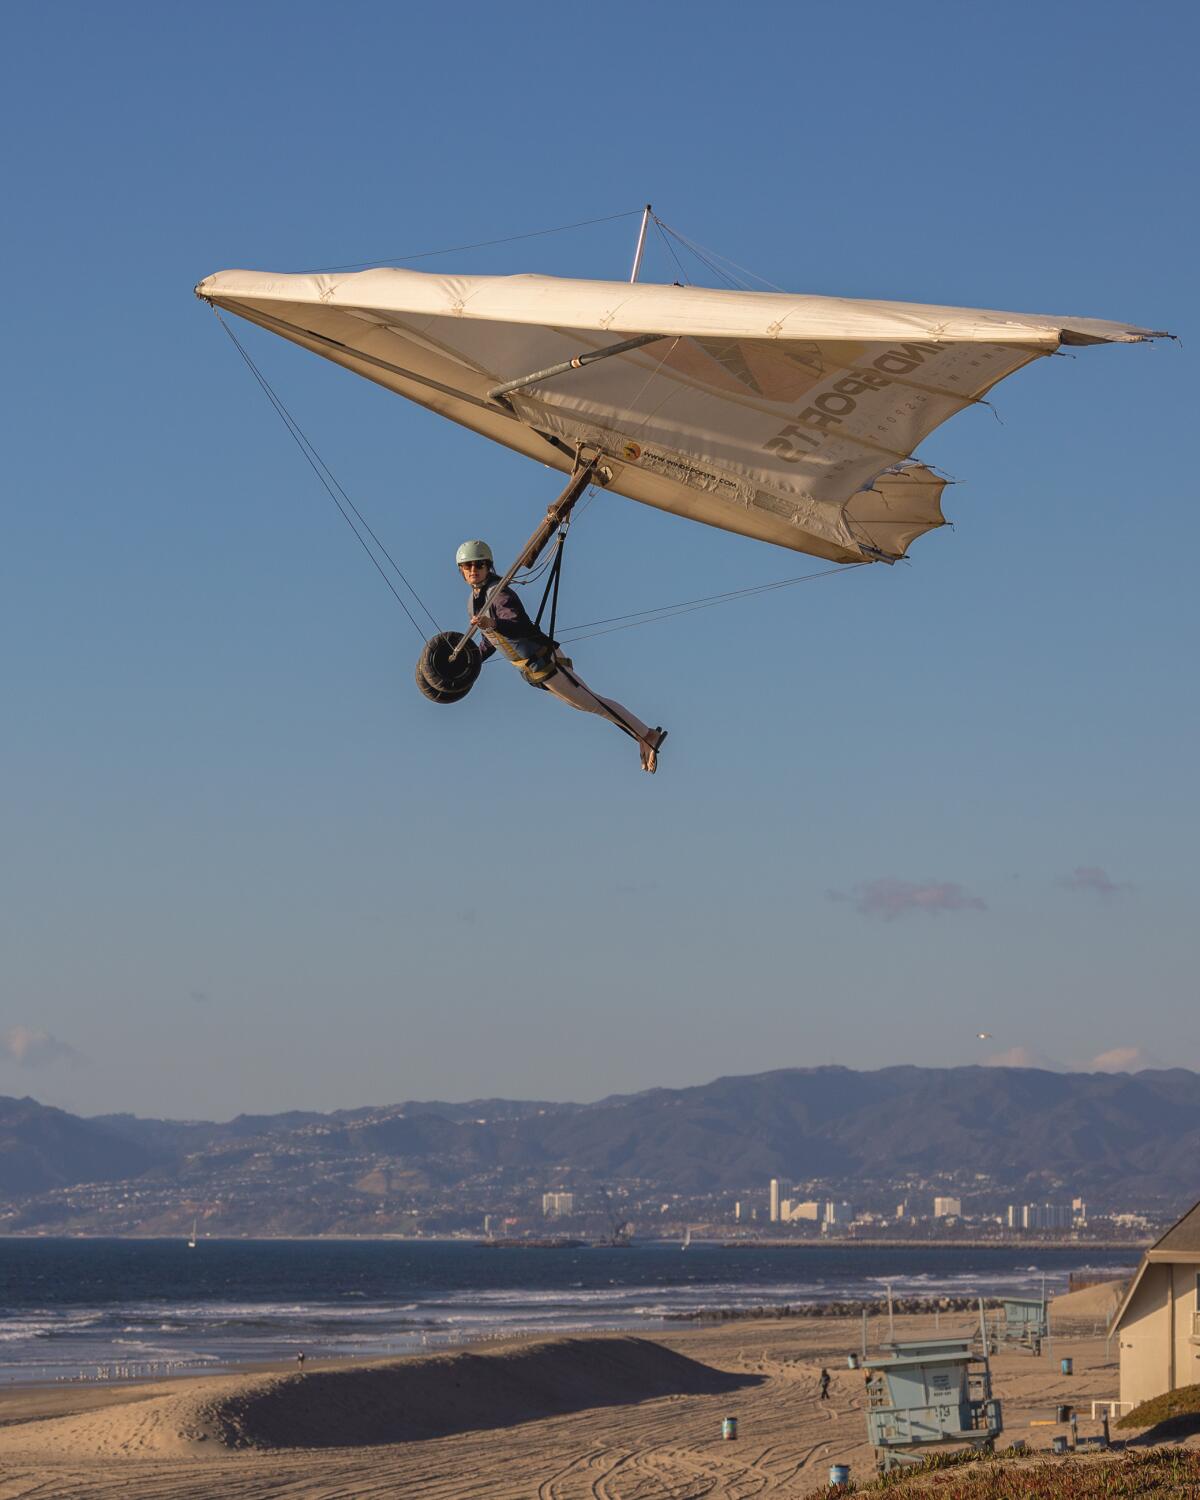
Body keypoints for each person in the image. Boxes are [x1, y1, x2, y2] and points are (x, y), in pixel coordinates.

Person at [456, 540, 666, 773]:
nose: (473, 570)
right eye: (468, 566)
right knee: (589, 705)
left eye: (478, 565)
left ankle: (647, 735)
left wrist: (492, 623)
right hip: (533, 669)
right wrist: (470, 661)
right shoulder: (474, 602)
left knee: (594, 704)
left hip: (544, 659)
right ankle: (643, 736)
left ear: (488, 567)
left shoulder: (498, 594)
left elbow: (518, 625)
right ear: (461, 571)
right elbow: (490, 641)